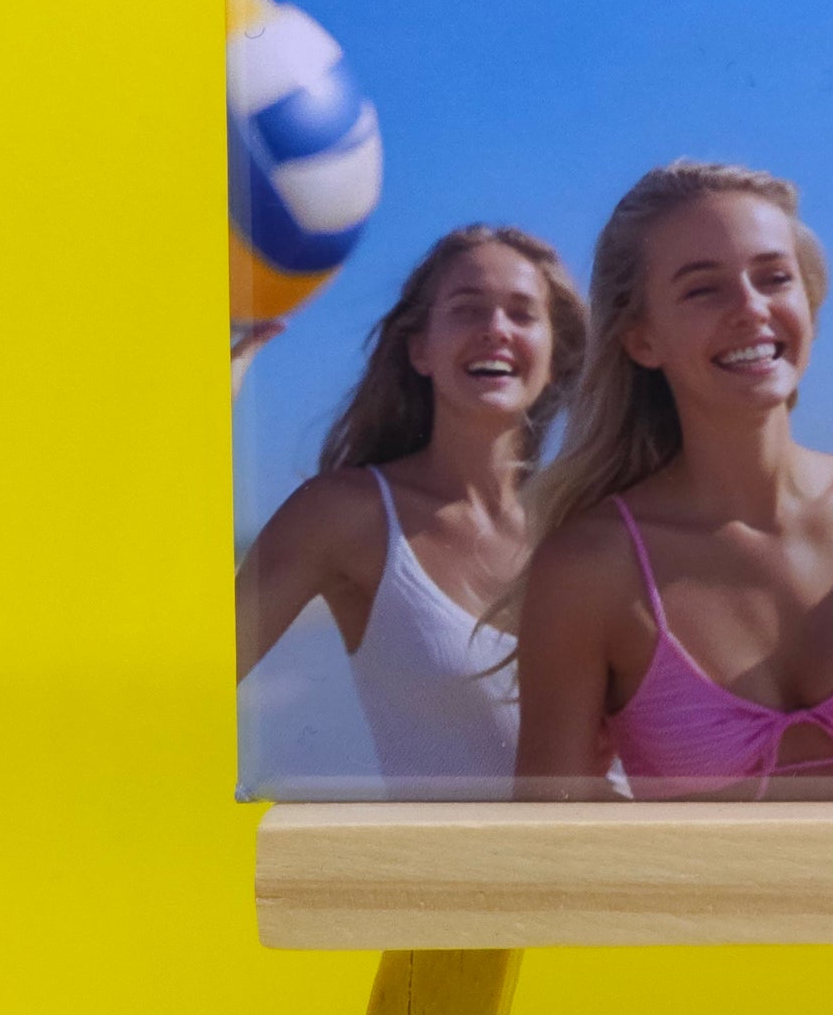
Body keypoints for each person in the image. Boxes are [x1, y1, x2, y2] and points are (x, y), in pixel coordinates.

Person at [510, 161, 833, 801]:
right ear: (643, 339)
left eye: (774, 279)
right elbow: (551, 837)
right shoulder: (590, 569)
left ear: (808, 305)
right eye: (704, 289)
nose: (751, 309)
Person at [235, 224, 587, 788]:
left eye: (522, 314)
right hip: (451, 876)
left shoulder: (591, 528)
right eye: (468, 310)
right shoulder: (348, 515)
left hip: (623, 870)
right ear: (420, 348)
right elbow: (189, 670)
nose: (496, 329)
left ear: (555, 355)